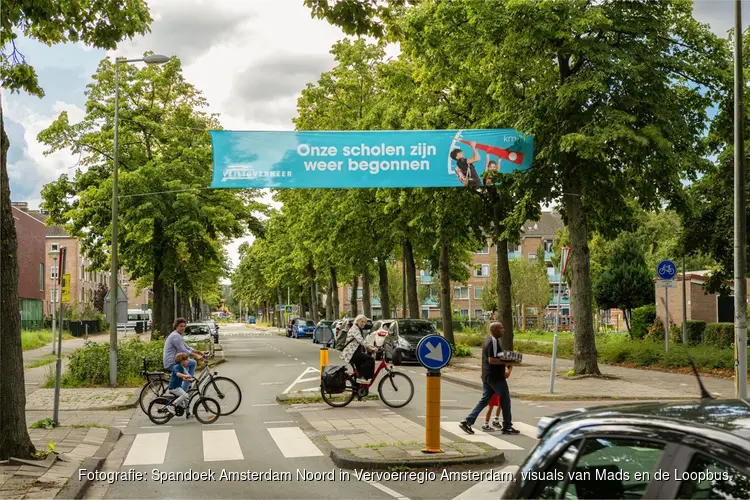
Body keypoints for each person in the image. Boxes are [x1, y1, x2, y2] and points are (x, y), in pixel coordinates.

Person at [459, 322, 519, 435]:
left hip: (487, 376)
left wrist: (507, 361)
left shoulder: (488, 340)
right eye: (501, 328)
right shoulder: (493, 342)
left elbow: (496, 356)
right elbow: (492, 360)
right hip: (495, 377)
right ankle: (507, 426)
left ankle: (467, 421)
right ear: (495, 330)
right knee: (505, 399)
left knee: (485, 399)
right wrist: (508, 362)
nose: (503, 330)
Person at [163, 317, 204, 391]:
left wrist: (198, 351)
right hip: (171, 362)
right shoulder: (175, 336)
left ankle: (187, 384)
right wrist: (196, 356)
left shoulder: (177, 335)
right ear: (176, 326)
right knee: (193, 363)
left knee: (191, 363)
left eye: (184, 326)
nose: (183, 328)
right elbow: (182, 349)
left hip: (175, 360)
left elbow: (186, 346)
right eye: (180, 326)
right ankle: (185, 388)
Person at [341, 315, 377, 384]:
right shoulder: (355, 328)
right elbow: (360, 340)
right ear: (357, 321)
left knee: (362, 366)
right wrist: (370, 347)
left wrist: (372, 347)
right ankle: (362, 377)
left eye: (365, 322)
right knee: (370, 360)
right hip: (352, 353)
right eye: (362, 321)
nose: (363, 323)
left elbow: (363, 341)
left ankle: (359, 386)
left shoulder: (358, 329)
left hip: (356, 352)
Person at [481, 364, 512, 432]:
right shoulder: (498, 369)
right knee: (492, 406)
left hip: (492, 385)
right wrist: (510, 368)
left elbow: (482, 375)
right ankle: (486, 423)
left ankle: (495, 420)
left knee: (500, 404)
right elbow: (507, 375)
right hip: (496, 388)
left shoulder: (489, 367)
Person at [167, 352, 194, 418]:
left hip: (178, 386)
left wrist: (189, 379)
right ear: (182, 360)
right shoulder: (176, 366)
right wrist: (185, 376)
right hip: (174, 387)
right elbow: (178, 374)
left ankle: (188, 414)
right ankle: (172, 405)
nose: (188, 361)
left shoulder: (182, 367)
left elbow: (182, 378)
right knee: (185, 395)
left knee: (187, 399)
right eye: (186, 360)